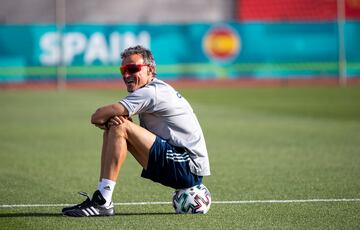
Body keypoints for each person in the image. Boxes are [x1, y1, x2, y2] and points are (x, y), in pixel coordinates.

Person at [62, 45, 211, 217]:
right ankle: (101, 198)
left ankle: (103, 201)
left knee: (119, 126)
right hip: (183, 165)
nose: (126, 75)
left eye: (133, 69)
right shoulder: (153, 89)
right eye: (123, 70)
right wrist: (114, 122)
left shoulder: (151, 92)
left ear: (150, 70)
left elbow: (97, 116)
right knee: (117, 126)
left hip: (187, 166)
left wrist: (112, 121)